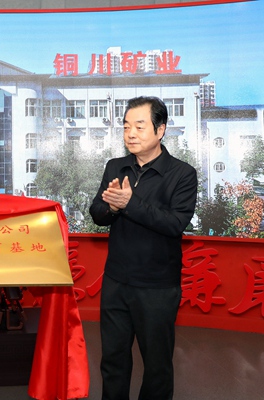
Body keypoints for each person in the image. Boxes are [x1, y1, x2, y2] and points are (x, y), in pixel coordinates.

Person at [89, 96, 197, 400]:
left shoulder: (182, 174)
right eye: (126, 127)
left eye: (139, 126)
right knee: (113, 361)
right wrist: (112, 207)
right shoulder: (115, 166)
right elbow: (97, 213)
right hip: (116, 282)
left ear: (160, 130)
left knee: (157, 366)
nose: (131, 134)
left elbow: (174, 223)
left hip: (157, 287)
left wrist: (129, 203)